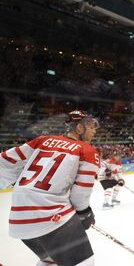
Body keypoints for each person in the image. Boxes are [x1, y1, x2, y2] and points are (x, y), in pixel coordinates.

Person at [0, 110, 100, 266]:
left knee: (49, 261)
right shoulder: (87, 151)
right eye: (91, 126)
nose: (94, 130)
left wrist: (16, 180)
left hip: (19, 220)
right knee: (85, 262)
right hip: (51, 216)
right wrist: (84, 213)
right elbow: (79, 195)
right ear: (79, 128)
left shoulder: (41, 140)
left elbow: (5, 161)